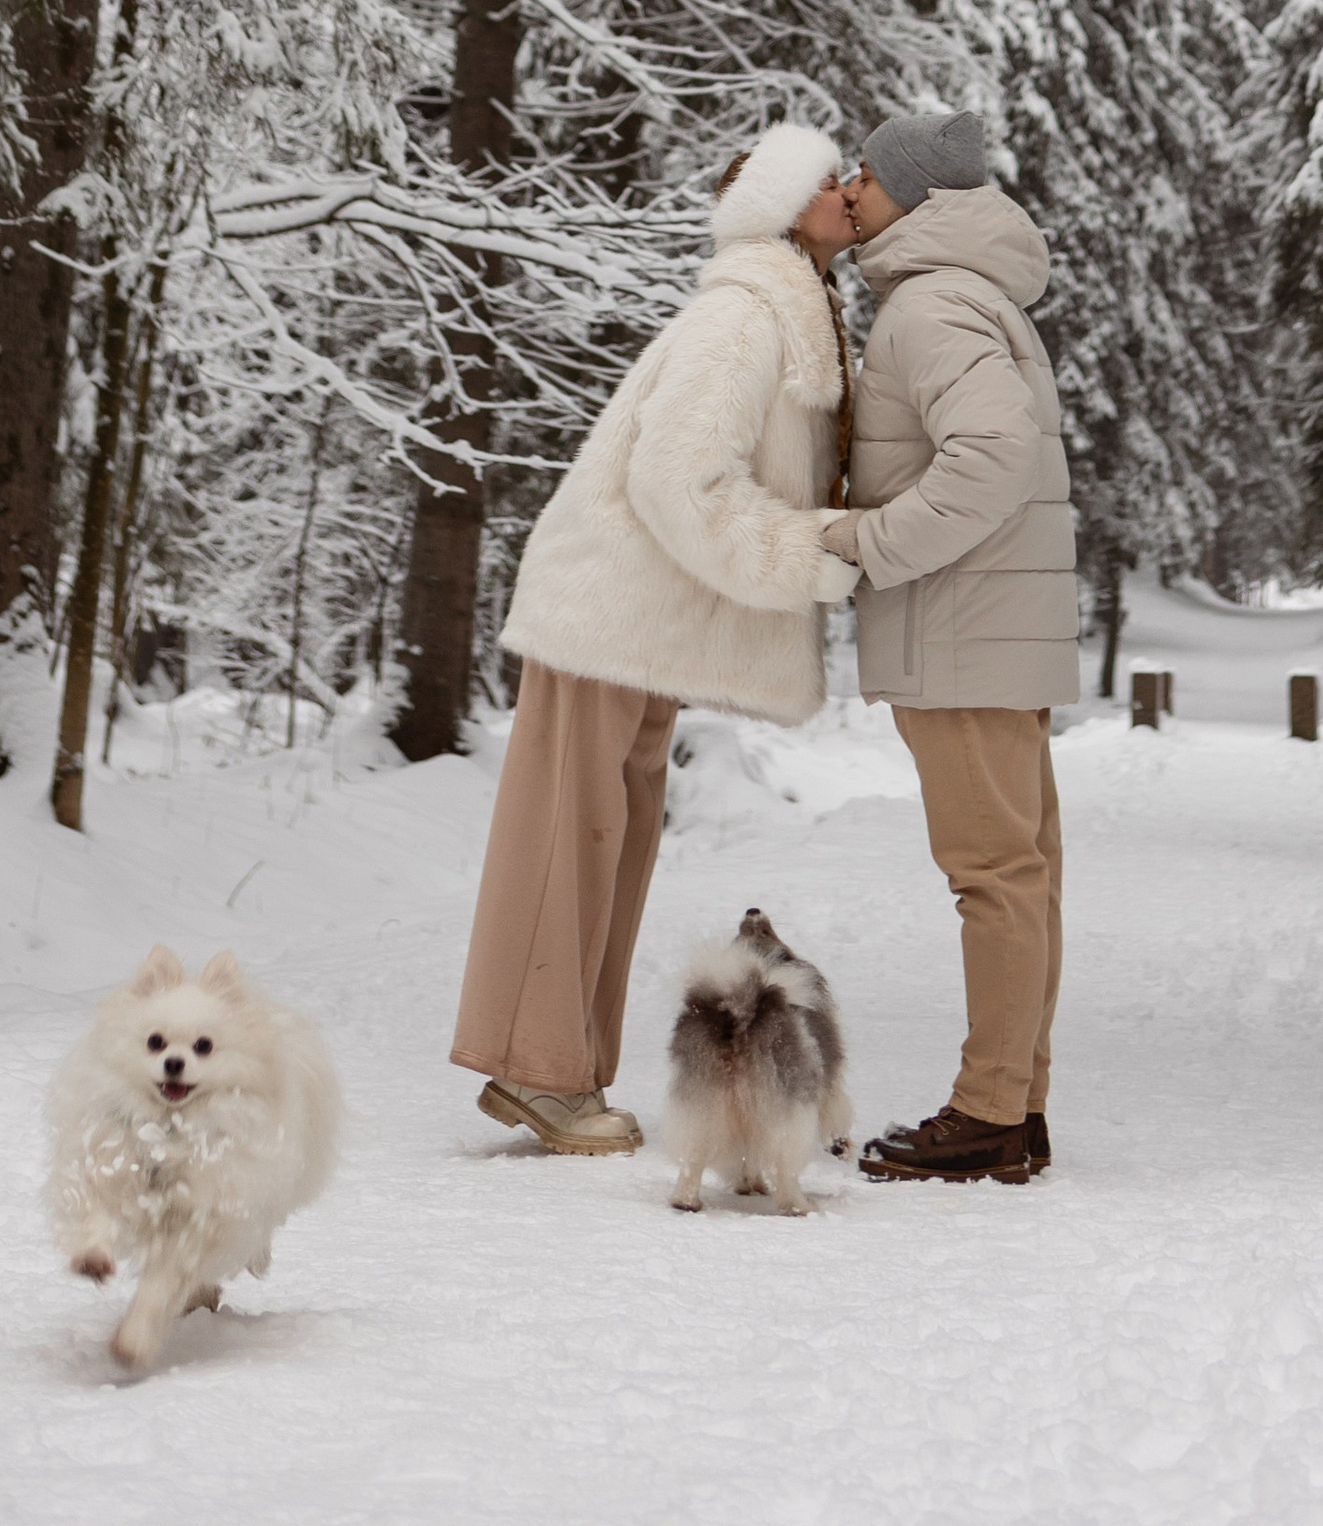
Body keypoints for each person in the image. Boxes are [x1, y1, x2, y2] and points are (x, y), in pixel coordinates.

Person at [450, 120, 860, 1154]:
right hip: (609, 609)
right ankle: (538, 1074)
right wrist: (801, 558)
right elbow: (678, 476)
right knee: (569, 839)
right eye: (826, 180)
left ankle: (563, 1076)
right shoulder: (743, 316)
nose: (848, 189)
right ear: (780, 207)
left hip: (646, 620)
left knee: (611, 839)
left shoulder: (788, 306)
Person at [819, 105, 1078, 1186]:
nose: (849, 189)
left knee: (993, 878)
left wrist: (869, 543)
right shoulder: (962, 293)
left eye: (865, 175)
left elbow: (991, 455)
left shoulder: (926, 306)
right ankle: (1014, 1110)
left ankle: (984, 1115)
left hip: (963, 629)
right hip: (992, 630)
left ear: (915, 195)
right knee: (1023, 875)